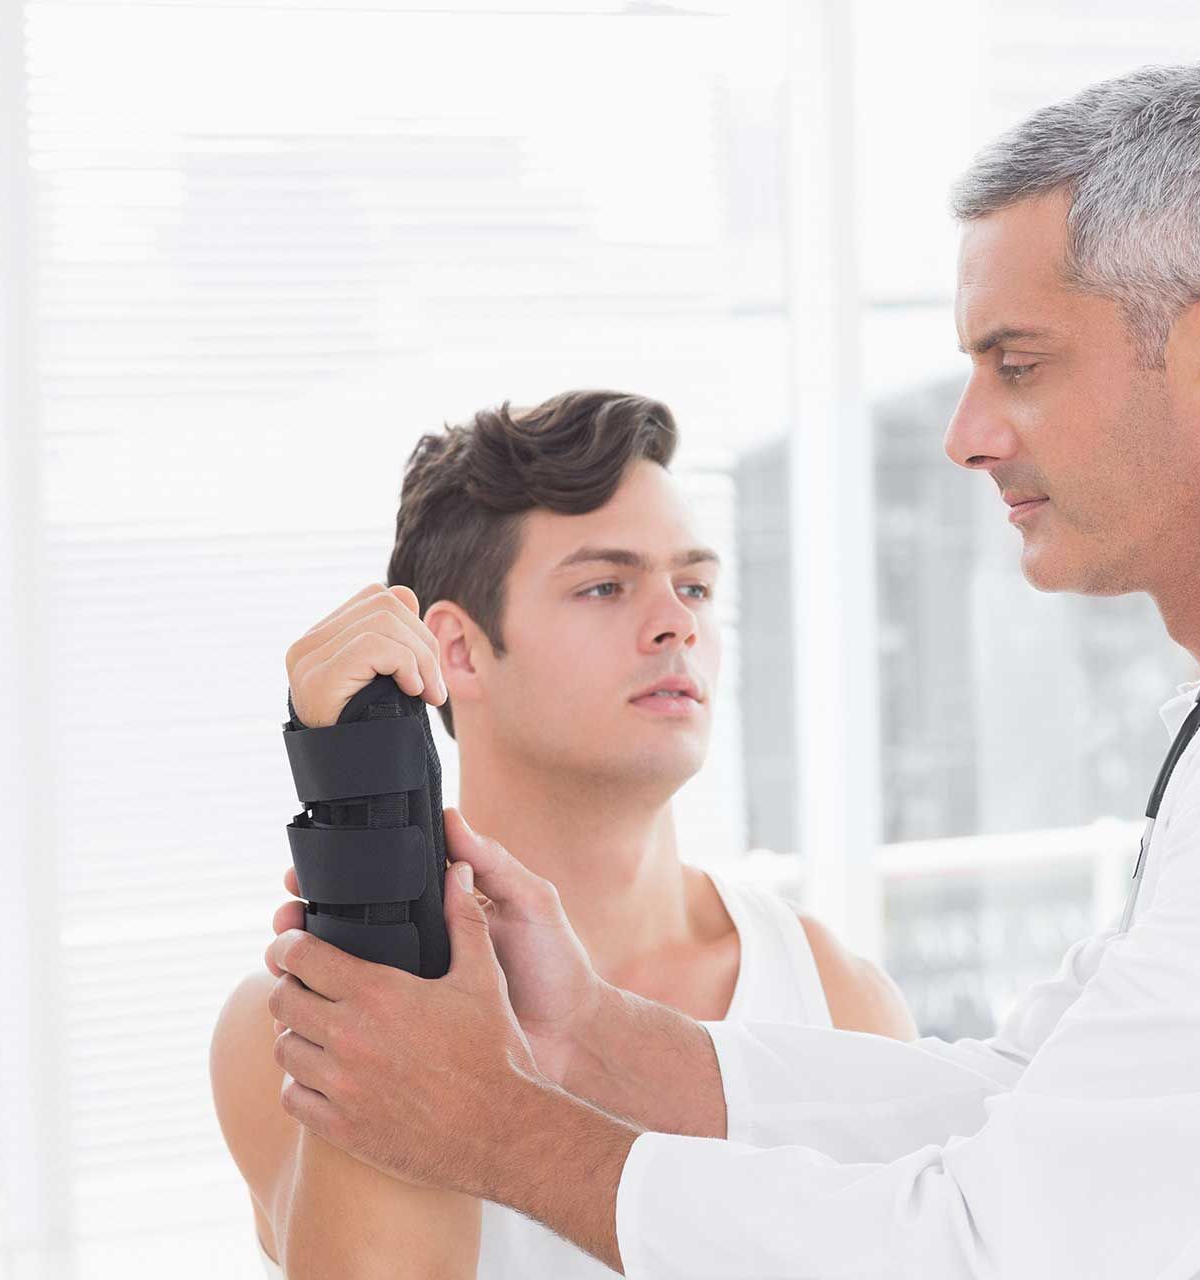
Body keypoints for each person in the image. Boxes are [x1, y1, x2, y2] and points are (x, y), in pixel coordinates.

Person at [262, 64, 1200, 1277]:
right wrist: (592, 1040)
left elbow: (986, 1252)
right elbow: (1018, 1099)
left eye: (1020, 363)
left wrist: (503, 1129)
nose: (968, 433)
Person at [211, 390, 916, 1277]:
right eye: (604, 586)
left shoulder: (839, 998)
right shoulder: (293, 1031)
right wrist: (365, 796)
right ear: (457, 652)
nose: (677, 622)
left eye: (695, 586)